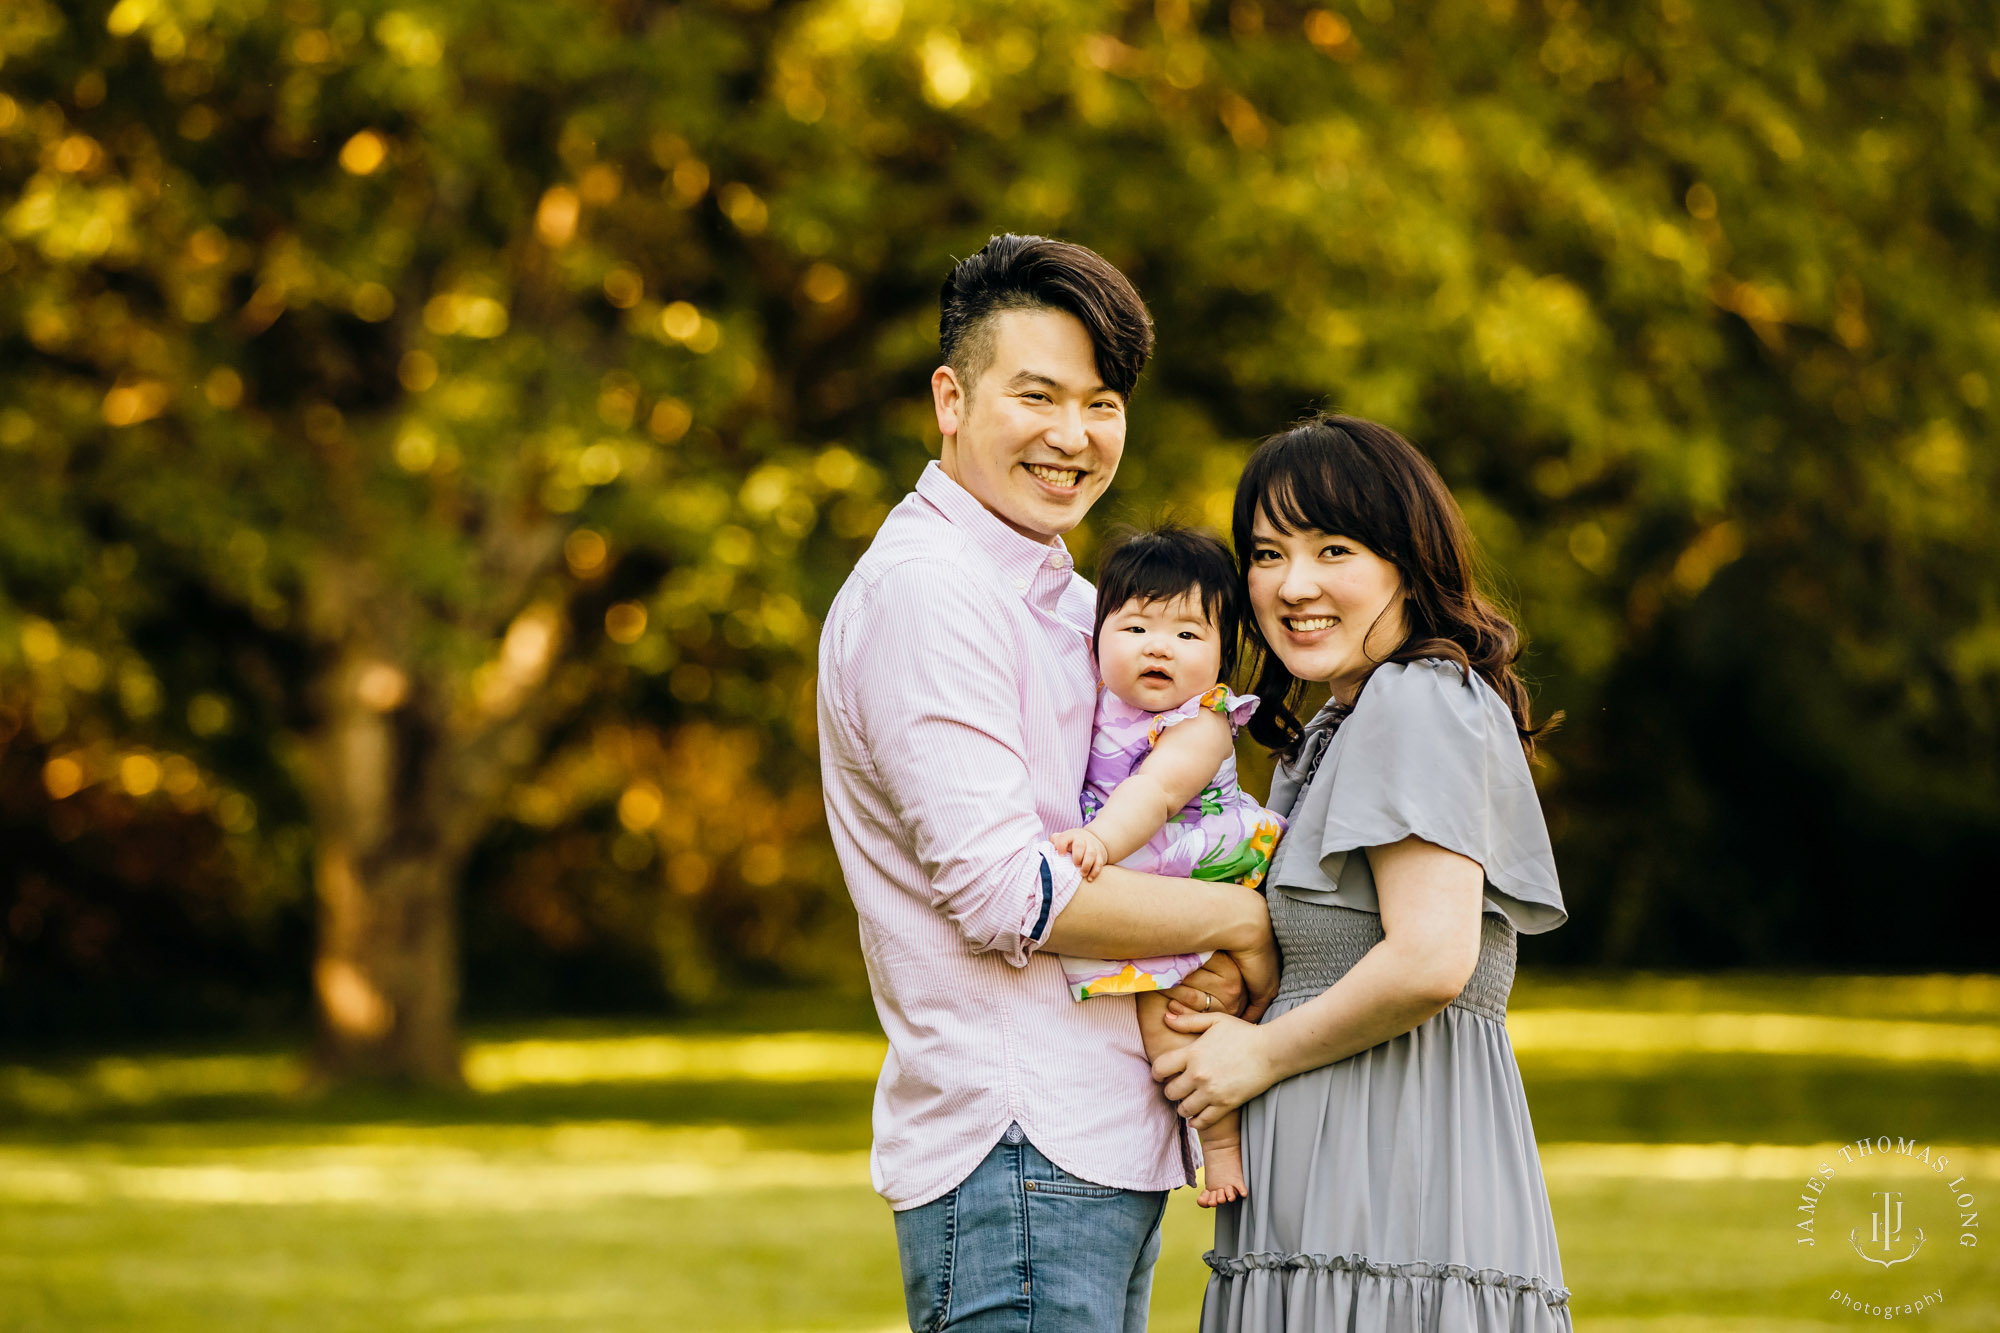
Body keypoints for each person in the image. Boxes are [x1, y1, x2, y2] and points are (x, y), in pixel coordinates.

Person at [816, 234, 1279, 1333]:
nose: (1073, 437)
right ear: (950, 397)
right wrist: (1239, 920)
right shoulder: (931, 593)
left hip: (1088, 1141)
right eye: (1036, 395)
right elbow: (1003, 894)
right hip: (1014, 1146)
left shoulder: (1072, 600)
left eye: (1102, 402)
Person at [1153, 414, 1573, 1331]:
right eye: (1266, 554)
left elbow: (1430, 957)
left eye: (1332, 547)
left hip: (1393, 1196)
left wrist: (1258, 1053)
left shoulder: (1419, 698)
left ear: (1407, 562)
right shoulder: (1343, 724)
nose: (1292, 585)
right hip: (1333, 1202)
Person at [1049, 525, 1288, 1209]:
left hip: (1198, 879)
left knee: (1184, 1024)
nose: (1160, 645)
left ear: (1220, 657)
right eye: (1137, 626)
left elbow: (1152, 794)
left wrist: (1099, 840)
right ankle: (1210, 1132)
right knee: (1165, 1030)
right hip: (1149, 895)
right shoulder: (1094, 703)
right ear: (1097, 640)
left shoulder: (1201, 720)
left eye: (1188, 634)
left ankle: (1222, 1145)